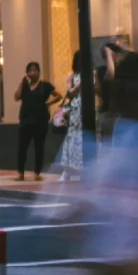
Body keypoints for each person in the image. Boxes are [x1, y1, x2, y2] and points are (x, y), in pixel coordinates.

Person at [14, 61, 58, 180]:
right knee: (22, 147)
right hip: (25, 120)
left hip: (40, 121)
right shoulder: (24, 85)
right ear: (27, 73)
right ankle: (20, 173)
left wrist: (48, 103)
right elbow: (16, 97)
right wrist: (21, 83)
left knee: (39, 146)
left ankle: (37, 173)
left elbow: (58, 95)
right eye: (30, 71)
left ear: (39, 72)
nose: (32, 73)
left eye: (35, 70)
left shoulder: (45, 85)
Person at [56, 51, 85, 179]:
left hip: (87, 107)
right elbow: (69, 93)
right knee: (72, 137)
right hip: (75, 109)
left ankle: (83, 169)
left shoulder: (92, 74)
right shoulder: (72, 75)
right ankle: (67, 170)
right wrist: (80, 85)